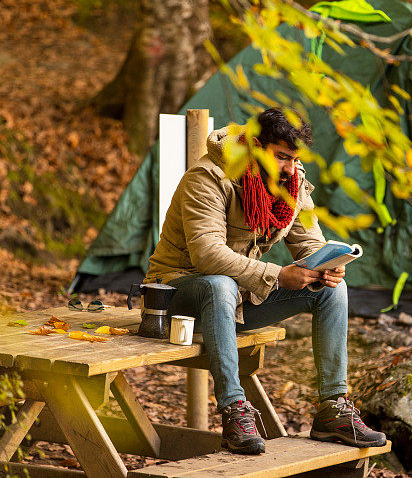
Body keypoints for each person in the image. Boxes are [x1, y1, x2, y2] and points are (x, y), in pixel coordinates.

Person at [145, 108, 386, 455]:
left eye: (295, 159)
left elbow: (309, 242)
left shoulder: (291, 182)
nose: (290, 168)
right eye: (282, 157)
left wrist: (329, 265)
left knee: (332, 291)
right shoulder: (209, 177)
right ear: (256, 146)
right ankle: (234, 411)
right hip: (175, 296)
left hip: (237, 300)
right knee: (218, 284)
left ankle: (332, 409)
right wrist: (278, 275)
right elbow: (207, 256)